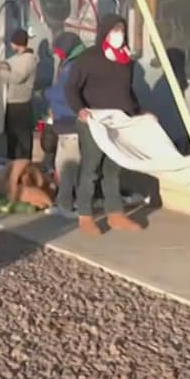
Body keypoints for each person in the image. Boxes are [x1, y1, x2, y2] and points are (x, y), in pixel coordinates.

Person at [65, 13, 145, 235]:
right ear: (104, 32)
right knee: (90, 170)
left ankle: (115, 214)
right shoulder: (89, 58)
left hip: (117, 122)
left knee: (114, 169)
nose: (119, 34)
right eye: (114, 30)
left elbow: (126, 92)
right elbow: (71, 87)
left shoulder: (125, 61)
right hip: (93, 121)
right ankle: (85, 215)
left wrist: (139, 113)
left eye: (121, 30)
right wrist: (79, 110)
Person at [45, 31, 87, 218]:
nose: (57, 55)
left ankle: (67, 205)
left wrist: (48, 94)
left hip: (71, 122)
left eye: (59, 51)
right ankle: (67, 202)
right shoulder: (71, 63)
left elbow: (64, 94)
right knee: (63, 164)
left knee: (69, 166)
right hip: (65, 122)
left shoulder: (74, 67)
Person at [0, 29, 38, 160]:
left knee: (24, 138)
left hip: (21, 104)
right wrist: (0, 64)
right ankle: (11, 165)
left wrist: (0, 72)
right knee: (11, 138)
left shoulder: (28, 59)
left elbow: (16, 77)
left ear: (17, 43)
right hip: (12, 103)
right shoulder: (17, 58)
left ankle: (25, 166)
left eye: (12, 42)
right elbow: (8, 63)